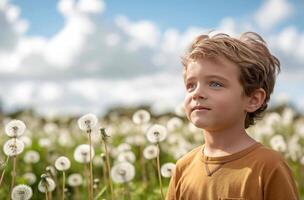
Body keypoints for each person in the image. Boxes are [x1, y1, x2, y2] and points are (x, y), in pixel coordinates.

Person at [166, 31, 300, 200]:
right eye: (191, 85)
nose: (197, 93)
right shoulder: (182, 168)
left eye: (215, 84)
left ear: (253, 99)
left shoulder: (269, 166)